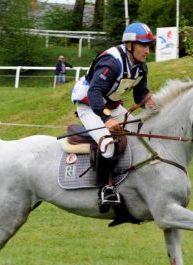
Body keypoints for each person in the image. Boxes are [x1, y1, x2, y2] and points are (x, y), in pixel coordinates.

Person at [71, 22, 156, 210]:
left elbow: (140, 94)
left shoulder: (141, 67)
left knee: (138, 133)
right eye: (143, 45)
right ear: (130, 45)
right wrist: (107, 119)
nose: (147, 51)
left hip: (112, 105)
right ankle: (104, 188)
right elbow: (94, 92)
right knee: (107, 144)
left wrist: (149, 100)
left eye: (148, 46)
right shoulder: (111, 62)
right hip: (90, 105)